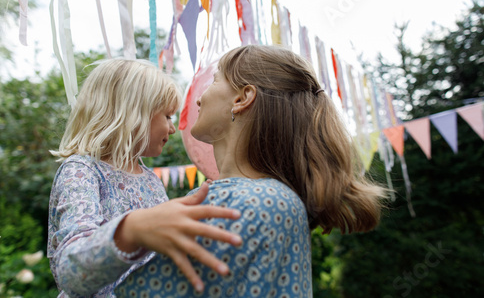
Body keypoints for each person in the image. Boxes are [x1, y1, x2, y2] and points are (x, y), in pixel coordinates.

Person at [115, 45, 387, 297]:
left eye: (214, 80)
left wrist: (123, 233)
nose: (199, 98)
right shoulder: (239, 196)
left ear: (242, 98)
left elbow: (124, 291)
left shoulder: (254, 202)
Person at [47, 59, 244, 298]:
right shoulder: (81, 171)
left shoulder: (149, 178)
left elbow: (156, 245)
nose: (172, 129)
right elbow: (71, 271)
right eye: (168, 116)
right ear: (133, 113)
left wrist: (198, 201)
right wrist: (130, 231)